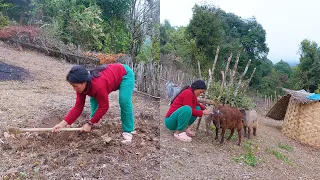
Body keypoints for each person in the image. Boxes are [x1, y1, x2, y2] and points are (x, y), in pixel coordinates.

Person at [52, 63, 135, 144]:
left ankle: (128, 130)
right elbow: (78, 107)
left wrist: (89, 123)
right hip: (108, 79)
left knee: (124, 101)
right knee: (94, 97)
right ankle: (95, 120)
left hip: (124, 74)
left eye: (75, 86)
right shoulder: (81, 87)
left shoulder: (98, 85)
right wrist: (62, 124)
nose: (74, 89)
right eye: (72, 86)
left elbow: (104, 106)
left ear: (84, 82)